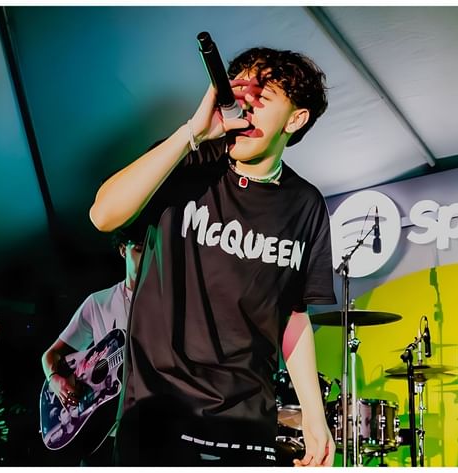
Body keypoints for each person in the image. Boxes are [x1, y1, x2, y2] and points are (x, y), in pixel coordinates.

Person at [89, 46, 336, 466]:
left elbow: (293, 316)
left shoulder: (305, 204)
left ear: (295, 119)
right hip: (160, 415)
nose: (245, 106)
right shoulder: (186, 163)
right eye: (239, 93)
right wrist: (191, 133)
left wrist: (315, 417)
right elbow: (103, 215)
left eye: (262, 97)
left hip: (247, 423)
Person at [41, 223, 144, 466]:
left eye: (151, 250)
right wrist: (55, 379)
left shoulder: (165, 306)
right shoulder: (99, 302)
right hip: (100, 434)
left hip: (144, 432)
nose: (146, 257)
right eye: (139, 249)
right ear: (123, 250)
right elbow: (50, 355)